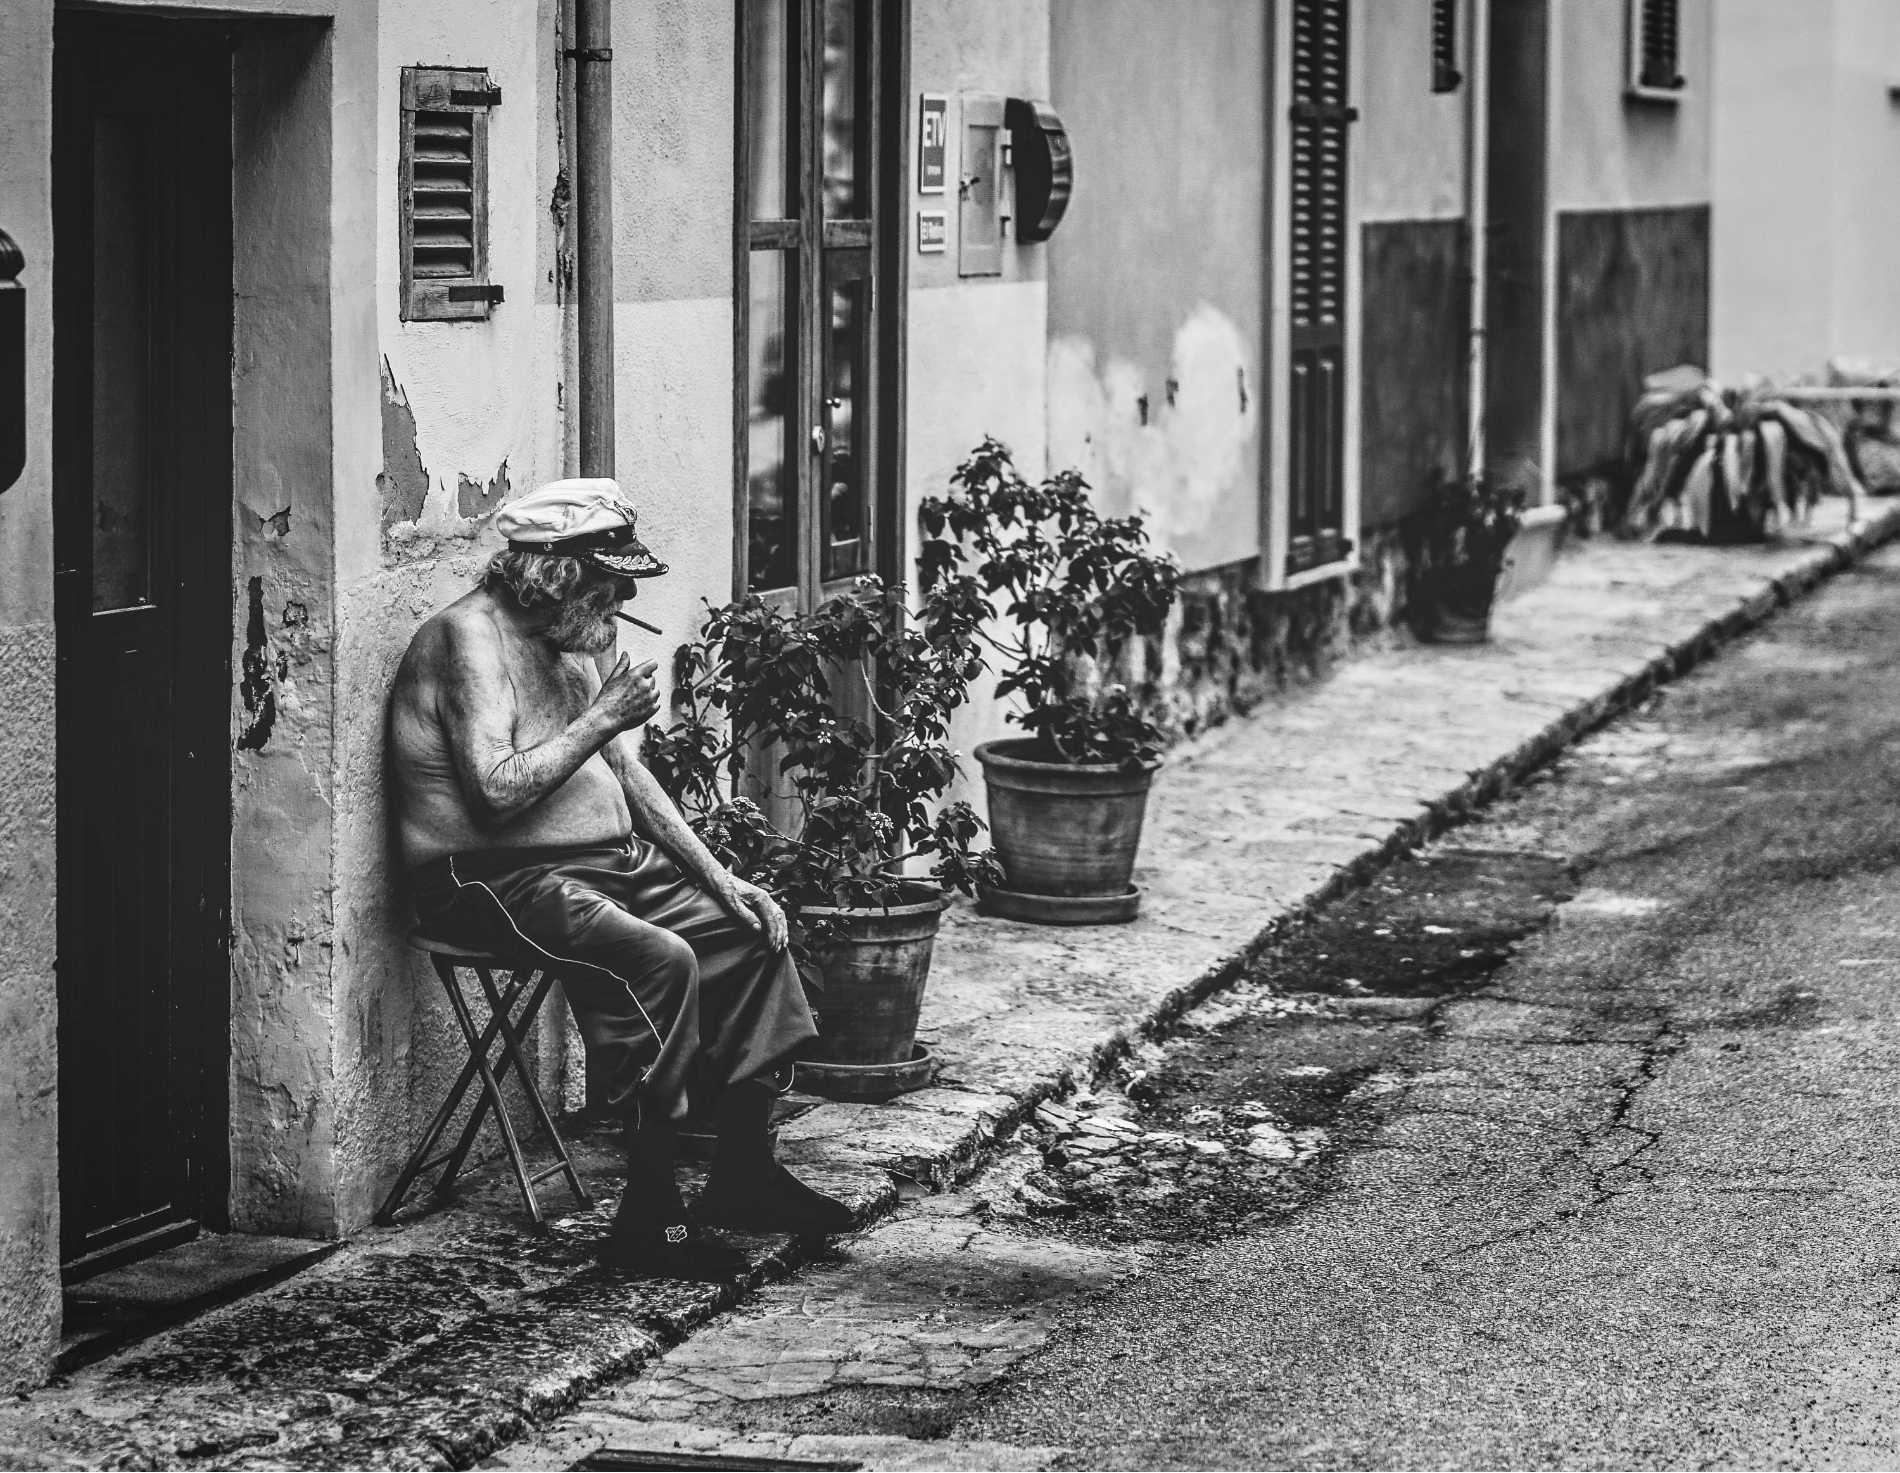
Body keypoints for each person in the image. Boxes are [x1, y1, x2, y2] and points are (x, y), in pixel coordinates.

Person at [388, 477, 853, 1278]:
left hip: (604, 866)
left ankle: (742, 1177)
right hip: (488, 880)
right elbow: (495, 794)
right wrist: (602, 714)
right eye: (610, 582)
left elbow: (630, 779)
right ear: (558, 573)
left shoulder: (579, 636)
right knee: (658, 958)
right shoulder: (466, 639)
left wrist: (721, 878)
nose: (624, 599)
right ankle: (652, 1224)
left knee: (749, 933)